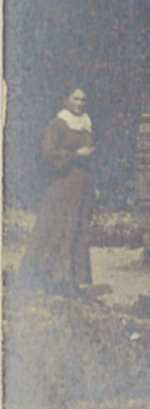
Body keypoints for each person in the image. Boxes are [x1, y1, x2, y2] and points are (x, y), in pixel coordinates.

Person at [20, 87, 96, 295]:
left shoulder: (86, 124)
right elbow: (48, 153)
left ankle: (70, 281)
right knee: (58, 230)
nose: (80, 103)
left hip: (82, 188)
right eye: (75, 98)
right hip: (63, 186)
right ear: (66, 100)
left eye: (83, 99)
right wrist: (75, 155)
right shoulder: (58, 124)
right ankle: (49, 279)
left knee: (77, 232)